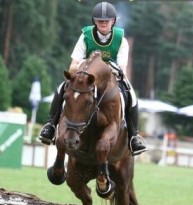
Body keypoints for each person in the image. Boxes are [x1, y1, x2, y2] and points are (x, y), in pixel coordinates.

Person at [39, 1, 146, 156]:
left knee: (132, 95)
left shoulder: (120, 40)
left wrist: (102, 70)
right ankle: (50, 126)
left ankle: (134, 136)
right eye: (99, 21)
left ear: (113, 21)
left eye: (106, 21)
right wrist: (84, 70)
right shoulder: (85, 36)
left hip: (111, 77)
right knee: (62, 87)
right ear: (94, 21)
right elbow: (74, 64)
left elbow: (122, 68)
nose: (103, 23)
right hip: (85, 77)